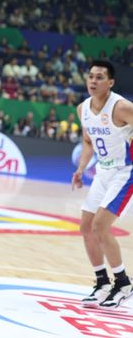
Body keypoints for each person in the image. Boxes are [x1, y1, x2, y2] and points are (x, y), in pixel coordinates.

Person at [73, 60, 133, 309]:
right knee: (86, 228)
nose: (93, 81)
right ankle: (102, 283)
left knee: (100, 226)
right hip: (102, 172)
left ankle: (124, 283)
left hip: (125, 172)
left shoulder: (121, 107)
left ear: (110, 82)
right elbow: (88, 142)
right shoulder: (82, 109)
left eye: (99, 77)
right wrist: (80, 169)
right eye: (91, 76)